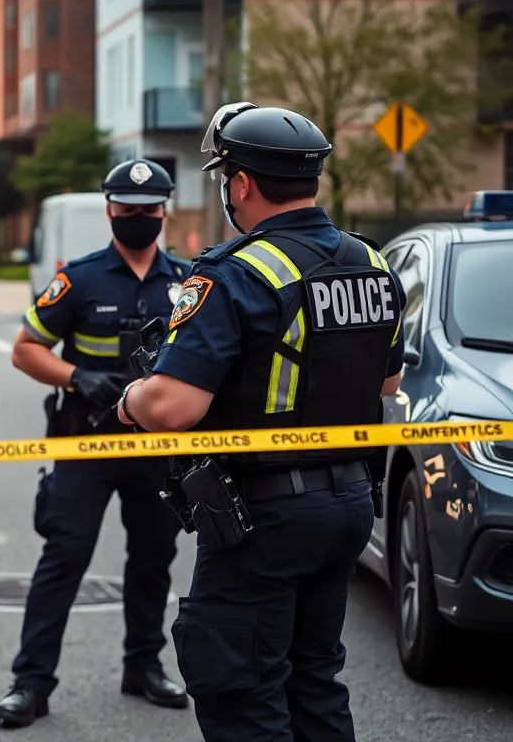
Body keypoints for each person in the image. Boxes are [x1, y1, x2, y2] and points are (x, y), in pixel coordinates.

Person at [114, 103, 406, 741]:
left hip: (262, 519)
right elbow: (387, 382)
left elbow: (173, 407)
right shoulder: (373, 263)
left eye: (224, 176)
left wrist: (132, 397)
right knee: (315, 680)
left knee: (242, 693)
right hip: (350, 502)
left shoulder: (236, 272)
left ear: (240, 183)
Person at [0, 159, 191, 728]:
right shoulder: (79, 278)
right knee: (63, 559)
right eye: (126, 211)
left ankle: (143, 666)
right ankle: (30, 683)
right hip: (85, 442)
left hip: (156, 447)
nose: (136, 218)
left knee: (154, 561)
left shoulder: (188, 283)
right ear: (110, 211)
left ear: (163, 212)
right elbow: (26, 348)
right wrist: (77, 376)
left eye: (147, 211)